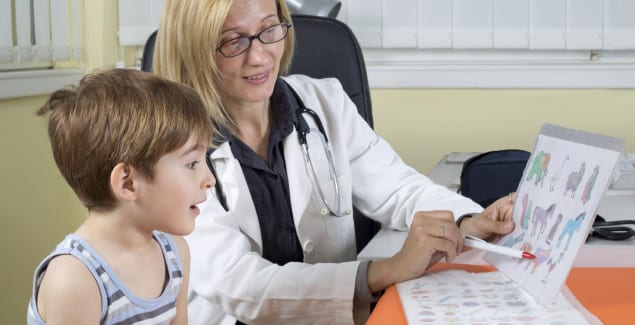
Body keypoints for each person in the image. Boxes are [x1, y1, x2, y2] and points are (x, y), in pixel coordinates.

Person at [153, 0, 516, 324]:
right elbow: (242, 285)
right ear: (195, 48)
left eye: (269, 30)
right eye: (234, 41)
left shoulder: (323, 102)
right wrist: (384, 271)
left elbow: (398, 189)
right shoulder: (168, 148)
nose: (261, 56)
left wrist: (468, 220)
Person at [27, 68, 215, 325]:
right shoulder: (74, 280)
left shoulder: (175, 254)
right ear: (128, 182)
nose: (210, 179)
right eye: (192, 164)